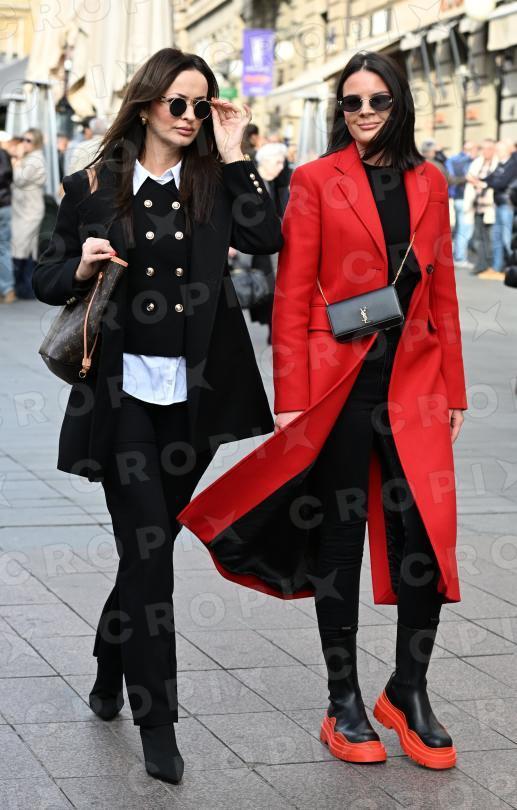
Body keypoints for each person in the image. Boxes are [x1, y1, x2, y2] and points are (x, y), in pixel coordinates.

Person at [178, 50, 468, 772]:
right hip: (339, 384)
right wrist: (292, 398)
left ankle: (407, 690)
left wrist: (456, 390)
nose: (364, 112)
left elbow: (441, 292)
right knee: (340, 539)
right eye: (352, 101)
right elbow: (292, 292)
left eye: (377, 100)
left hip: (416, 383)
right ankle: (343, 700)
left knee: (425, 537)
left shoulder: (431, 180)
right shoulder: (314, 179)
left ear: (399, 104)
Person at [32, 47, 282, 785]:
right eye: (177, 102)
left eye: (200, 105)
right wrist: (80, 266)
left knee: (149, 548)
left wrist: (234, 151)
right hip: (122, 401)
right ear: (146, 104)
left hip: (195, 402)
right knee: (150, 552)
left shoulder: (213, 181)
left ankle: (110, 660)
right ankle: (158, 721)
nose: (189, 116)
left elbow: (265, 236)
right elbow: (47, 275)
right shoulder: (91, 186)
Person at [11, 128, 46, 299]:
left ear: (36, 142)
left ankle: (19, 286)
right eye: (23, 139)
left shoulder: (35, 159)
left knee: (21, 245)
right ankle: (25, 288)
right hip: (23, 210)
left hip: (30, 211)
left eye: (28, 140)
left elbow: (19, 179)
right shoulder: (30, 157)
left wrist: (17, 161)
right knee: (28, 247)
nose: (24, 143)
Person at [476, 139, 517, 279]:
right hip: (499, 204)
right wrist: (480, 180)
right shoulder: (502, 163)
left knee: (507, 239)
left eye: (499, 150)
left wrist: (485, 184)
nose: (496, 152)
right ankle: (497, 267)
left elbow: (502, 182)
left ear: (508, 150)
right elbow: (491, 177)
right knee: (497, 237)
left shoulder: (513, 163)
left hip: (507, 205)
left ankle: (510, 270)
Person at [464, 138, 498, 277]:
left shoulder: (497, 164)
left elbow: (494, 181)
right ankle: (481, 264)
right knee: (479, 238)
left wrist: (479, 183)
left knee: (492, 238)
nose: (485, 152)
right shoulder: (477, 162)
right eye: (483, 149)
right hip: (477, 206)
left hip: (491, 207)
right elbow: (469, 177)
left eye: (488, 149)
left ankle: (492, 265)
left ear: (493, 150)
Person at [446, 141, 478, 267]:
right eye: (475, 149)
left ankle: (458, 255)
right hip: (465, 198)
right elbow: (469, 177)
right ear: (469, 150)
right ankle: (460, 257)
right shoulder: (468, 161)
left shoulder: (452, 160)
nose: (477, 152)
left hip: (457, 198)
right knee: (465, 229)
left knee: (460, 228)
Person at [0, 137, 15, 303]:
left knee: (3, 247)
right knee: (3, 247)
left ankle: (7, 288)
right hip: (5, 204)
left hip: (3, 206)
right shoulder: (4, 154)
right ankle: (6, 288)